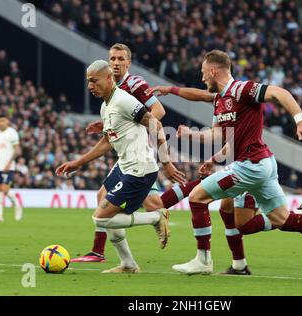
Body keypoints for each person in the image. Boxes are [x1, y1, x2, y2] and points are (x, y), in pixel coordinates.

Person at [150, 50, 302, 274]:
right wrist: (193, 138)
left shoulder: (242, 89)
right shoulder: (220, 101)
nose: (202, 78)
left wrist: (300, 121)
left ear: (213, 71)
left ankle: (204, 260)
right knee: (280, 219)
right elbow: (218, 135)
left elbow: (280, 93)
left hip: (250, 165)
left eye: (204, 73)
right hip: (260, 165)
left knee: (197, 197)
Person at [76, 43, 257, 275]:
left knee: (139, 204)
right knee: (144, 202)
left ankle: (105, 252)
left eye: (121, 59)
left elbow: (157, 115)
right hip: (128, 155)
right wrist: (110, 125)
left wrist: (147, 132)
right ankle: (114, 257)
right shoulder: (109, 94)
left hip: (141, 152)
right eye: (112, 58)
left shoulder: (134, 85)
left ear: (128, 63)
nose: (116, 62)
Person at [56, 60, 185, 273]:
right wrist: (78, 162)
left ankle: (155, 216)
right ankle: (128, 264)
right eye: (88, 82)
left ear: (109, 79)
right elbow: (107, 141)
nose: (90, 86)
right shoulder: (105, 106)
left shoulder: (124, 101)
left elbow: (156, 124)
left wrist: (167, 163)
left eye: (94, 81)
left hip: (139, 169)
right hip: (124, 165)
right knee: (101, 197)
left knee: (101, 218)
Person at [0, 114, 23, 222]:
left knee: (5, 189)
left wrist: (9, 164)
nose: (0, 123)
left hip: (8, 166)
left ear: (7, 122)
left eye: (2, 121)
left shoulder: (12, 132)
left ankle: (17, 205)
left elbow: (17, 150)